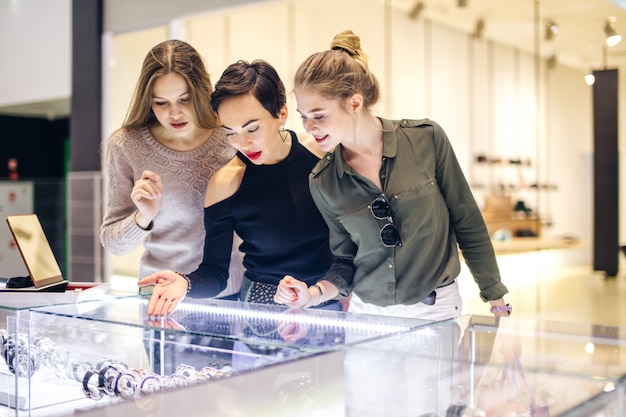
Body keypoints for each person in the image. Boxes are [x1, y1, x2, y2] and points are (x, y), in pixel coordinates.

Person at [275, 30, 510, 321]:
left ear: (354, 103)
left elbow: (467, 220)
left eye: (319, 115)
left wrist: (497, 301)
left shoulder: (426, 139)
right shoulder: (323, 181)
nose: (309, 127)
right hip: (367, 317)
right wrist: (312, 294)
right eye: (304, 116)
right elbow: (345, 261)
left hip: (435, 310)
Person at [138, 59, 353, 317]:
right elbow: (215, 273)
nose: (243, 143)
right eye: (231, 132)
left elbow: (352, 241)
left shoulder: (321, 154)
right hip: (262, 306)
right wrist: (185, 283)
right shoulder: (225, 183)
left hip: (325, 296)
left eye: (252, 128)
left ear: (281, 114)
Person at [100, 39, 243, 299]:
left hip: (228, 292)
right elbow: (113, 243)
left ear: (202, 91)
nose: (174, 113)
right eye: (161, 103)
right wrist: (143, 217)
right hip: (160, 294)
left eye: (184, 99)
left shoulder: (231, 135)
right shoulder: (127, 145)